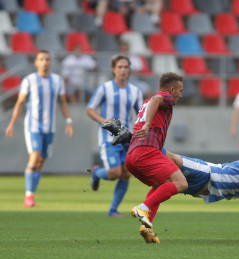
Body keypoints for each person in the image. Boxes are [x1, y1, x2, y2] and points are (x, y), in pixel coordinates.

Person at [102, 123, 239, 243]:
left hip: (198, 188)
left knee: (161, 185)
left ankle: (146, 225)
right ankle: (128, 138)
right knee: (169, 157)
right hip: (206, 172)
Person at [4, 50, 74, 207]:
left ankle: (32, 194)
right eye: (41, 59)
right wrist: (12, 123)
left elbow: (62, 101)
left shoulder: (57, 80)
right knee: (35, 157)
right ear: (36, 62)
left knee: (41, 160)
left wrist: (68, 121)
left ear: (50, 62)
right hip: (33, 126)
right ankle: (28, 196)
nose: (44, 62)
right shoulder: (29, 80)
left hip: (50, 127)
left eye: (47, 59)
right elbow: (20, 102)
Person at [126, 72, 188, 230]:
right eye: (180, 90)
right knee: (181, 183)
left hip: (132, 157)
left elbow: (153, 101)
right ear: (172, 89)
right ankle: (142, 208)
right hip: (147, 151)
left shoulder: (146, 103)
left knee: (162, 186)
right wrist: (147, 124)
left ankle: (147, 225)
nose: (180, 95)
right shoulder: (163, 97)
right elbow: (157, 99)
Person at [86, 55, 143, 217]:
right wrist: (103, 120)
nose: (123, 70)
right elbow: (90, 109)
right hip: (108, 138)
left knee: (126, 173)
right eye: (120, 67)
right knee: (114, 173)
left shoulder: (135, 91)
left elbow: (141, 114)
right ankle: (96, 173)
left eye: (126, 67)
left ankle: (112, 210)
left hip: (127, 139)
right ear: (113, 69)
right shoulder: (105, 88)